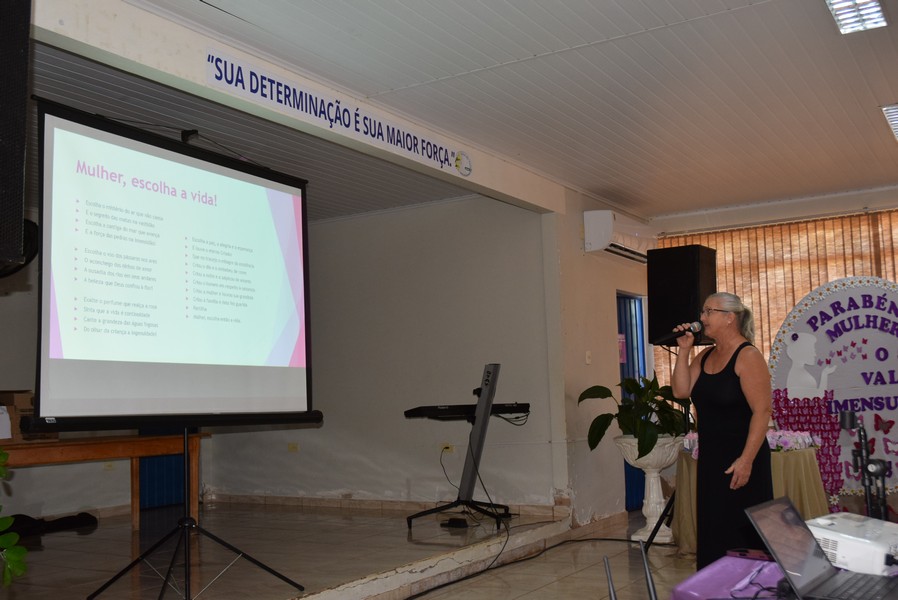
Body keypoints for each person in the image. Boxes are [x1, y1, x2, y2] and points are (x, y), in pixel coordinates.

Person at [670, 292, 773, 570]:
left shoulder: (748, 356)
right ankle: (713, 587)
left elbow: (762, 412)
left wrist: (746, 460)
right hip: (713, 459)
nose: (701, 318)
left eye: (708, 312)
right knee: (714, 529)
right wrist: (683, 350)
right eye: (703, 312)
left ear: (730, 318)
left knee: (741, 532)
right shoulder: (705, 356)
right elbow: (681, 390)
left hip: (743, 459)